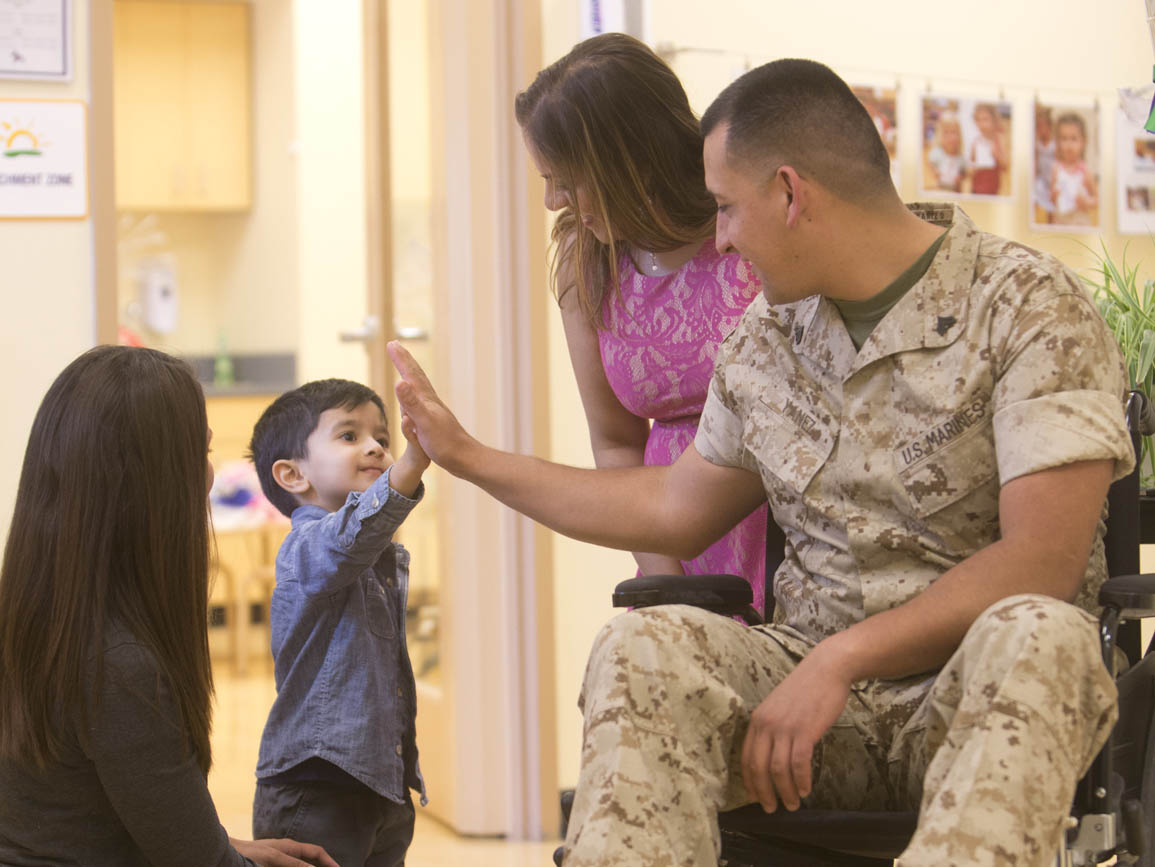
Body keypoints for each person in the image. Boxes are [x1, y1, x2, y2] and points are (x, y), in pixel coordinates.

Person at [389, 57, 1134, 866]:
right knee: (640, 644)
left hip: (967, 695)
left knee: (1043, 635)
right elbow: (670, 507)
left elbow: (1040, 561)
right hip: (809, 714)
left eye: (724, 208)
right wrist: (467, 456)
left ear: (789, 192)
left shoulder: (1027, 305)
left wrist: (841, 659)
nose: (719, 239)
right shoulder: (764, 342)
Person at [0, 346, 336, 867]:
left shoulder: (35, 623)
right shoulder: (120, 666)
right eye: (200, 455)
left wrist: (227, 846)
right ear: (150, 481)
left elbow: (81, 821)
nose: (209, 477)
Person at [515, 32, 768, 609]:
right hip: (665, 537)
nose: (553, 200)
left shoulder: (746, 229)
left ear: (627, 161)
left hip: (782, 522)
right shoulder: (586, 261)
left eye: (565, 179)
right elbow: (614, 442)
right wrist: (671, 584)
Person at [248, 378, 429, 867]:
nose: (374, 446)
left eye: (383, 439)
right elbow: (349, 536)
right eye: (349, 436)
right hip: (318, 784)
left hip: (380, 782)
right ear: (291, 475)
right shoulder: (305, 548)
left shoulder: (374, 557)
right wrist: (411, 464)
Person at [1050, 112, 1098, 226]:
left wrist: (1086, 202)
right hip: (1061, 221)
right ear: (1057, 142)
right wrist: (1053, 195)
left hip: (1080, 221)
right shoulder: (1056, 168)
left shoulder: (1085, 171)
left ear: (1083, 142)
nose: (1068, 144)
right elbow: (1051, 198)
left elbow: (1097, 200)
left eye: (1074, 139)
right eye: (1064, 139)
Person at [968, 102, 1007, 195]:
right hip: (976, 188)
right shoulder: (976, 141)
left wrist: (996, 155)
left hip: (992, 189)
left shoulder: (998, 140)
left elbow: (1005, 166)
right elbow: (971, 164)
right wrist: (972, 168)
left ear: (994, 120)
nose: (982, 124)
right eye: (979, 120)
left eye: (985, 120)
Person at [925, 110, 966, 193]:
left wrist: (960, 177)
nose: (950, 136)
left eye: (954, 132)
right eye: (946, 133)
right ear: (940, 135)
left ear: (959, 135)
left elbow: (964, 172)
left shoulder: (961, 158)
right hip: (939, 190)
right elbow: (929, 163)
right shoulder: (937, 153)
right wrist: (935, 172)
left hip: (954, 192)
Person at [1033, 104, 1056, 223]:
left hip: (1052, 178)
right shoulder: (1037, 143)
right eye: (1038, 127)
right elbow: (1036, 162)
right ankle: (1031, 218)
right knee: (1034, 196)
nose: (1040, 129)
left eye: (1043, 126)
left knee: (1052, 206)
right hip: (1042, 178)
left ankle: (1051, 224)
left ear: (1049, 126)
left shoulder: (1054, 143)